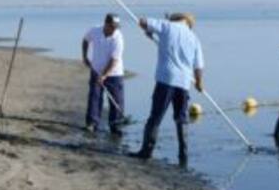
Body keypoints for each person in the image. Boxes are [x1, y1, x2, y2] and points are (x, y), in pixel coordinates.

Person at [130, 12, 203, 166]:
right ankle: (183, 154)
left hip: (166, 79)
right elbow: (198, 66)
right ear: (188, 23)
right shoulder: (193, 37)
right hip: (184, 83)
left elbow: (142, 21)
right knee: (181, 118)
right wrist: (199, 82)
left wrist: (149, 30)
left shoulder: (166, 26)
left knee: (156, 116)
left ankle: (146, 151)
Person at [81, 13, 126, 134]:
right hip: (96, 70)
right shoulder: (94, 30)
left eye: (116, 27)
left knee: (116, 100)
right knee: (94, 97)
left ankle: (115, 125)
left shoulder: (118, 38)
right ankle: (92, 123)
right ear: (106, 24)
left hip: (115, 73)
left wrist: (105, 75)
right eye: (112, 26)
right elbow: (85, 40)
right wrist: (85, 56)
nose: (114, 29)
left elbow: (114, 60)